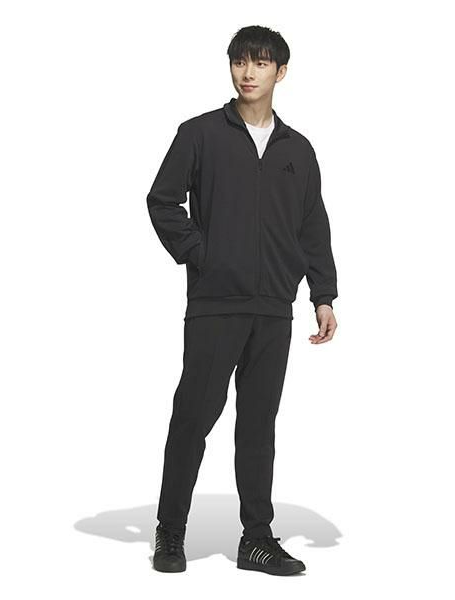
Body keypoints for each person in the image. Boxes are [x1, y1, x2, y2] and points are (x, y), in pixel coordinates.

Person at [146, 25, 338, 576]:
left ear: (281, 71)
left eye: (260, 63)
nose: (248, 72)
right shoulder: (200, 134)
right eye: (239, 62)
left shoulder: (297, 150)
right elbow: (162, 201)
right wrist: (201, 255)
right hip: (216, 302)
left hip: (273, 307)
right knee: (194, 417)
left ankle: (256, 539)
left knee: (258, 426)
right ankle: (170, 531)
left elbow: (312, 226)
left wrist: (322, 294)